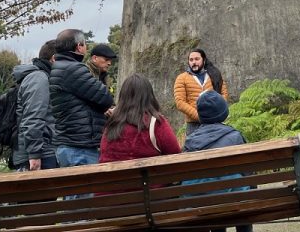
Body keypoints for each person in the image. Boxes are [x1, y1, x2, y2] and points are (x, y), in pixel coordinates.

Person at [182, 90, 252, 232]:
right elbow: (248, 172)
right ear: (223, 113)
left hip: (199, 202)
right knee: (241, 188)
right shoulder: (235, 137)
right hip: (232, 200)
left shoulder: (190, 142)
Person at [49, 29, 115, 168]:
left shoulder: (60, 67)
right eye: (85, 44)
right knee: (87, 189)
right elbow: (105, 98)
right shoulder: (74, 69)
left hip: (70, 143)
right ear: (79, 46)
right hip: (79, 146)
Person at [99, 73, 181, 162]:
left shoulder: (112, 124)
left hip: (112, 175)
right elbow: (175, 154)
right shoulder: (156, 124)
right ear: (149, 96)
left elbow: (104, 155)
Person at [11, 40, 59, 171]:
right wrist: (34, 154)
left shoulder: (43, 77)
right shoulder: (39, 78)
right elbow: (33, 117)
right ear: (54, 59)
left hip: (42, 152)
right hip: (40, 155)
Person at [174, 48, 229, 136]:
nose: (194, 62)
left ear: (203, 60)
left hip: (215, 123)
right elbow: (180, 102)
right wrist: (200, 116)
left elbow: (224, 94)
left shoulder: (215, 75)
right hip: (194, 125)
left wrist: (217, 113)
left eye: (197, 59)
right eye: (191, 60)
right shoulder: (182, 78)